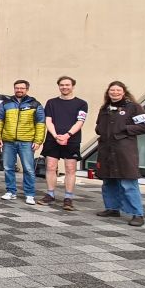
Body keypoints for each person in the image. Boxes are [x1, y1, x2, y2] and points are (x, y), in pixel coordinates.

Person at [95, 81, 145, 227]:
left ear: (124, 91)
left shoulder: (133, 107)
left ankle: (137, 214)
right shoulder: (105, 108)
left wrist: (125, 128)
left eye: (118, 90)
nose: (115, 92)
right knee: (108, 180)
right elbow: (98, 126)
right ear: (108, 92)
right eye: (112, 90)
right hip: (106, 149)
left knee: (128, 182)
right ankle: (112, 208)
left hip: (124, 150)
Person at [0, 80, 46, 206]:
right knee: (8, 167)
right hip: (8, 141)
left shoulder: (35, 104)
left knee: (28, 169)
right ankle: (11, 191)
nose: (19, 90)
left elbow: (40, 123)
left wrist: (38, 141)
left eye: (22, 88)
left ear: (27, 89)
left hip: (27, 142)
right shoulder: (6, 103)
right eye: (17, 88)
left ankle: (30, 194)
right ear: (14, 88)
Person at [39, 76, 88, 210]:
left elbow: (80, 122)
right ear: (58, 86)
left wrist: (67, 135)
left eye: (67, 85)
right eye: (62, 85)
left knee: (70, 169)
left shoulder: (82, 103)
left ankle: (68, 198)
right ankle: (50, 194)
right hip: (52, 139)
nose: (64, 87)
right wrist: (55, 136)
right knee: (50, 167)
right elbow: (48, 120)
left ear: (73, 86)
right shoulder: (51, 102)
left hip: (72, 140)